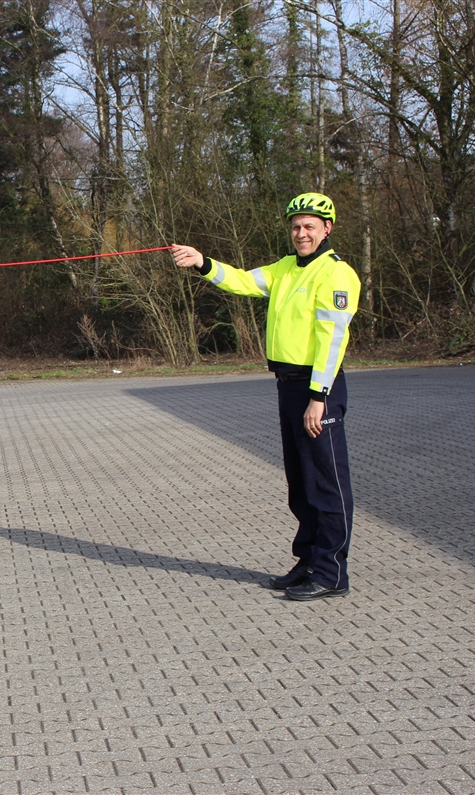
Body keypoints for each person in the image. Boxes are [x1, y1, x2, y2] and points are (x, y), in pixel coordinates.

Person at [170, 193, 360, 601]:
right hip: (288, 386)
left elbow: (332, 340)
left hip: (317, 389)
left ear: (327, 228)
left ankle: (331, 572)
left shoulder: (336, 274)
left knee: (327, 483)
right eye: (296, 226)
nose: (301, 233)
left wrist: (318, 396)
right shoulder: (285, 268)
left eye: (310, 226)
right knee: (301, 483)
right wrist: (202, 262)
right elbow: (241, 280)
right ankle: (308, 561)